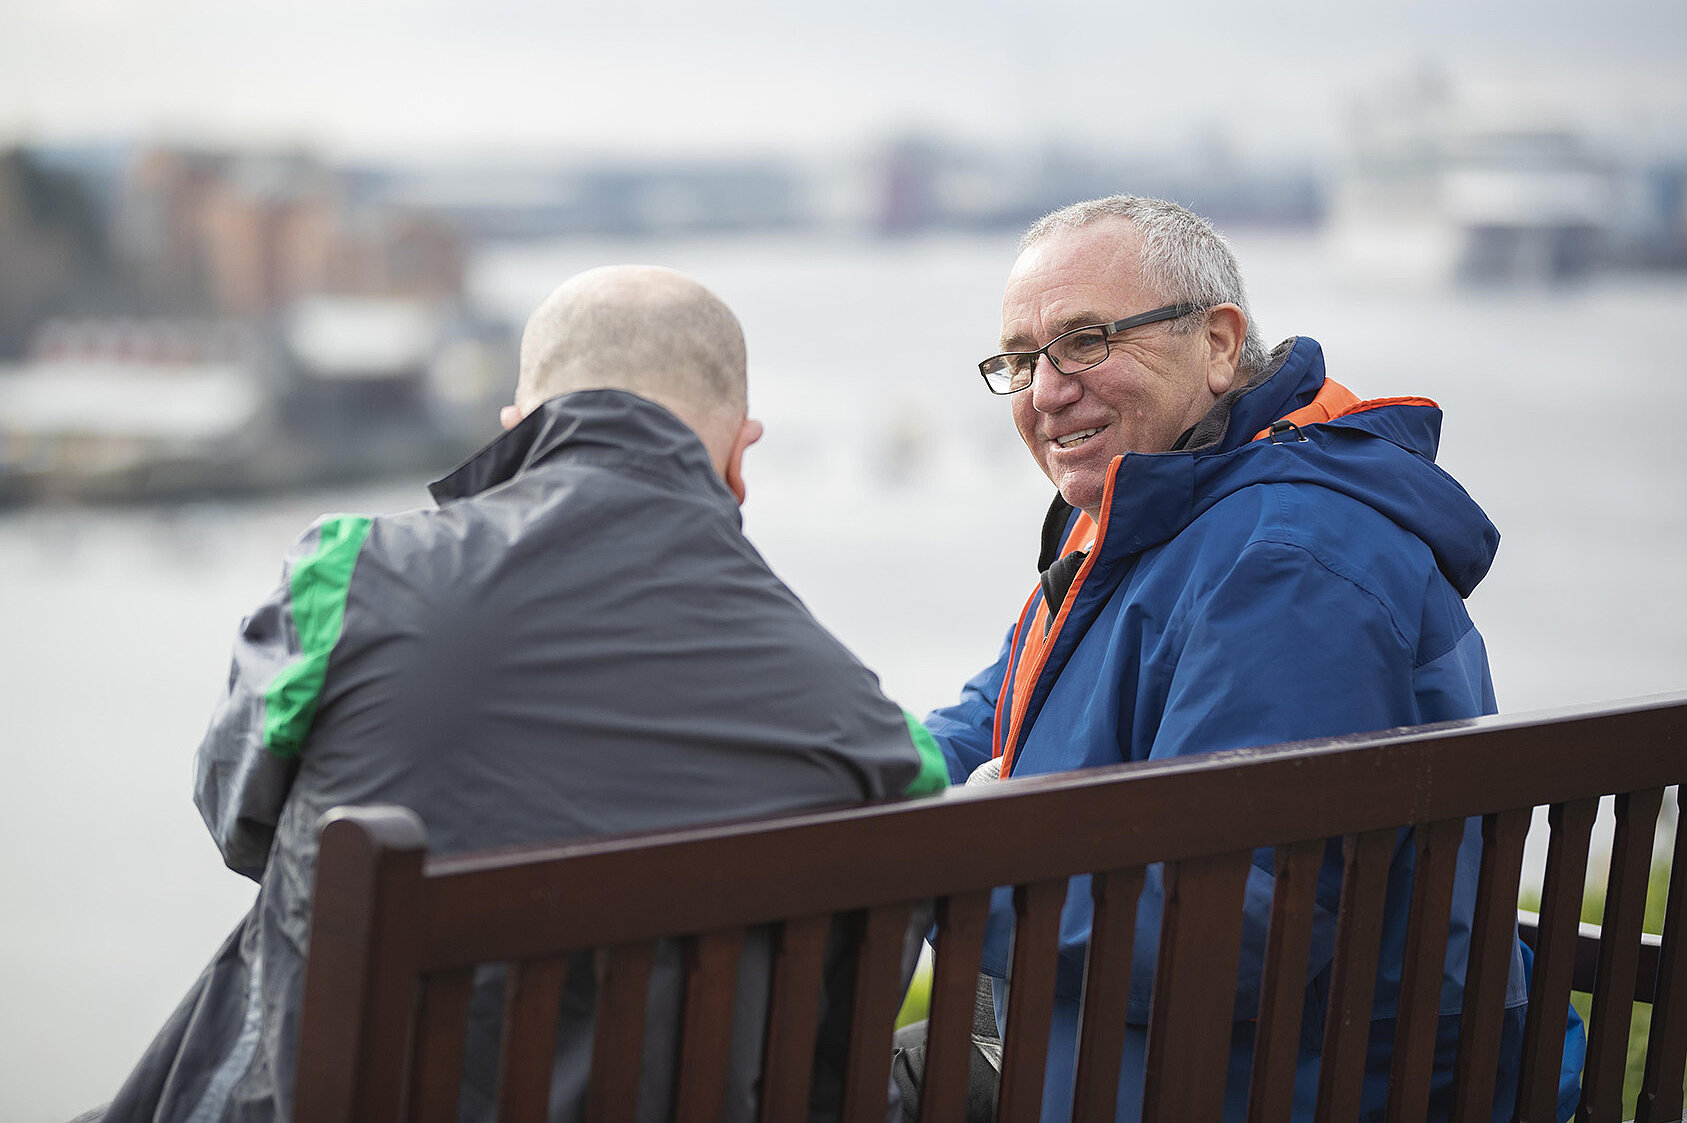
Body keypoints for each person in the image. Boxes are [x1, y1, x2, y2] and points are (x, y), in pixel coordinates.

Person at [85, 264, 947, 1123]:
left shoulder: (349, 577)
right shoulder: (877, 745)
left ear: (516, 431)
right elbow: (832, 1060)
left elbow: (240, 821)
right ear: (738, 455)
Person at [918, 196, 1531, 1121]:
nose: (1045, 391)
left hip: (1269, 1085)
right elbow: (995, 715)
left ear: (1216, 343)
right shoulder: (1160, 515)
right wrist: (852, 774)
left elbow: (1232, 924)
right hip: (1118, 1056)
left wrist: (942, 870)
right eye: (1020, 359)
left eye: (1085, 340)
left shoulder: (1287, 562)